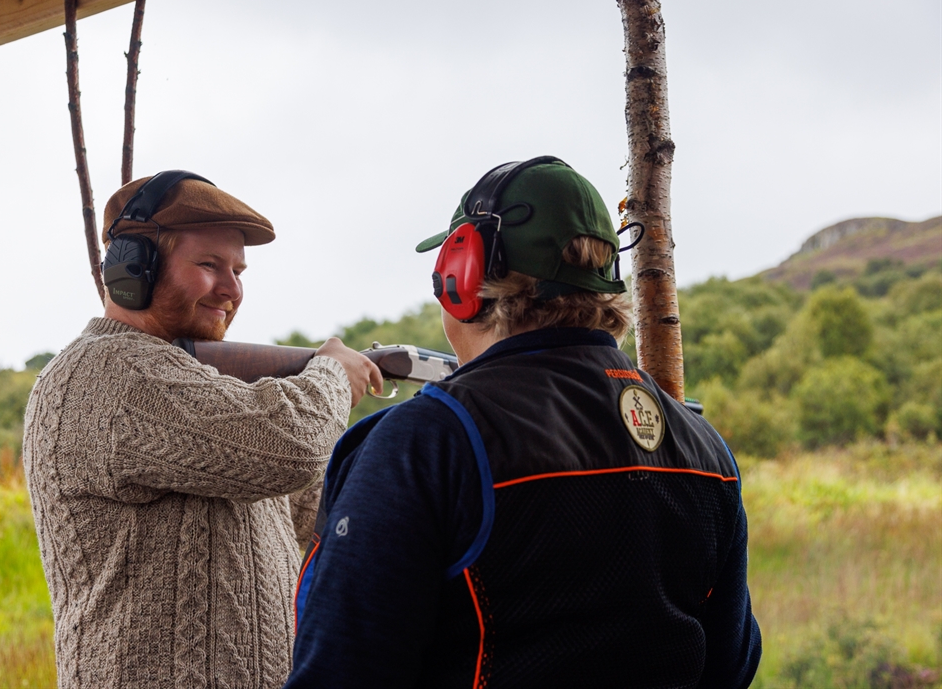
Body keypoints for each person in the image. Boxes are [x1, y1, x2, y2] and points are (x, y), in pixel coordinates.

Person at [286, 157, 761, 688]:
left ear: (461, 275)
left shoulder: (425, 441)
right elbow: (731, 665)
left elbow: (338, 669)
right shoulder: (707, 450)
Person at [23, 171, 382, 689]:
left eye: (238, 270)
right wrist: (332, 374)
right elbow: (292, 447)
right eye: (209, 265)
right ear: (133, 268)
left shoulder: (191, 383)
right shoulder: (112, 371)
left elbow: (299, 509)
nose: (232, 289)